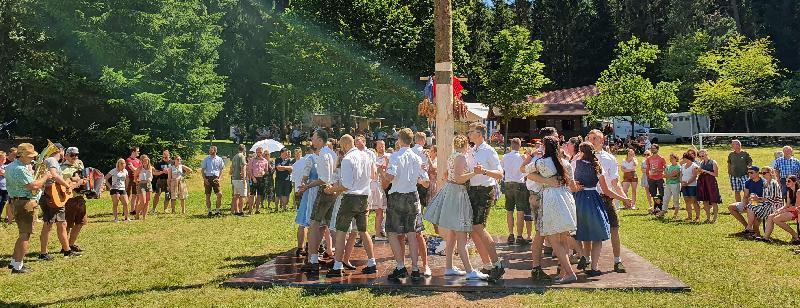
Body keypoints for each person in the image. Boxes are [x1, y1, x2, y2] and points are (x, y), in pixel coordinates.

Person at [424, 135, 487, 280]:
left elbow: (447, 174)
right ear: (465, 145)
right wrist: (475, 173)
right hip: (457, 193)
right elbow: (459, 178)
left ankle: (449, 267)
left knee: (452, 234)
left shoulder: (452, 156)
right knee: (461, 235)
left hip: (451, 191)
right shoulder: (461, 157)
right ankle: (470, 271)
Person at [379, 128, 430, 280]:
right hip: (412, 195)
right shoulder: (417, 157)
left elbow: (390, 176)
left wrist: (382, 173)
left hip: (397, 195)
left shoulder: (395, 156)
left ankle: (401, 266)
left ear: (400, 140)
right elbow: (426, 183)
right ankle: (415, 269)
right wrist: (417, 179)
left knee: (392, 232)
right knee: (412, 234)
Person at [573, 142, 631, 277]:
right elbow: (606, 190)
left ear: (581, 152)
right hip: (593, 198)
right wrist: (624, 198)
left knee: (583, 232)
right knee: (597, 235)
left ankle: (585, 257)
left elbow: (571, 181)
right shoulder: (597, 167)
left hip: (578, 199)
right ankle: (594, 267)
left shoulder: (576, 163)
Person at [324, 135, 378, 278]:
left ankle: (337, 266)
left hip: (350, 198)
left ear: (346, 144)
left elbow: (346, 185)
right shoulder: (366, 156)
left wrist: (332, 190)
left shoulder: (348, 159)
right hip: (364, 197)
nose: (341, 149)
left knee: (341, 232)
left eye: (342, 146)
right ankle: (372, 263)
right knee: (363, 231)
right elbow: (373, 176)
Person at [525, 136, 578, 283]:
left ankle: (568, 273)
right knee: (563, 239)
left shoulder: (541, 163)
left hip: (550, 199)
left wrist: (545, 180)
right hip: (566, 198)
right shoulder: (566, 163)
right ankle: (563, 272)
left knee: (555, 240)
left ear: (544, 147)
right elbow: (572, 186)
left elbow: (526, 171)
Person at [466, 122, 506, 282]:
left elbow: (500, 174)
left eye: (471, 131)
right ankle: (487, 265)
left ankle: (497, 265)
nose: (468, 134)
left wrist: (484, 171)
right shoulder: (472, 150)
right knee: (473, 229)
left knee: (478, 227)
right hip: (472, 190)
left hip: (484, 191)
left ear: (480, 134)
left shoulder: (489, 151)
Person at [586, 129, 629, 273]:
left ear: (602, 141)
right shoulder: (582, 157)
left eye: (594, 138)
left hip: (606, 198)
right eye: (589, 138)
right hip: (590, 198)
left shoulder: (609, 159)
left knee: (614, 228)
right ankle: (588, 261)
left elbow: (615, 183)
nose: (590, 141)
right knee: (590, 231)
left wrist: (624, 198)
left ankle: (617, 261)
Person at [6, 143, 51, 273]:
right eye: (30, 156)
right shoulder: (19, 169)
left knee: (22, 234)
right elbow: (33, 185)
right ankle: (18, 266)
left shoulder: (11, 166)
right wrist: (45, 176)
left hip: (18, 201)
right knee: (25, 235)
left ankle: (14, 262)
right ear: (23, 155)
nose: (32, 158)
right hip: (25, 203)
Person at [300, 129, 338, 274]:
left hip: (324, 191)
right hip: (332, 191)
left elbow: (323, 179)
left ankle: (313, 260)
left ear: (320, 140)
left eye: (314, 137)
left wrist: (307, 186)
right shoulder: (332, 153)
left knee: (313, 224)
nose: (312, 139)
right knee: (330, 225)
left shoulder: (322, 154)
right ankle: (339, 258)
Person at [40, 143, 82, 260]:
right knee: (48, 225)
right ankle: (43, 253)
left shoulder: (50, 161)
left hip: (54, 196)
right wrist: (66, 185)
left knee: (62, 224)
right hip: (51, 197)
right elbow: (54, 175)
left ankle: (67, 250)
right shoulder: (52, 160)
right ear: (60, 150)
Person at [501, 138, 529, 245]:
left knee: (509, 210)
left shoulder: (505, 156)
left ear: (511, 146)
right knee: (520, 211)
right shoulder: (522, 157)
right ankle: (519, 236)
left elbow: (502, 168)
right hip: (519, 183)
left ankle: (511, 234)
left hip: (508, 183)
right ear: (520, 146)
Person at [61, 147, 89, 253]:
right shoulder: (62, 168)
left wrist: (87, 183)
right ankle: (65, 247)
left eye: (76, 155)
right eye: (72, 155)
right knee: (68, 224)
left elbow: (84, 178)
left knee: (81, 222)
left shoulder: (80, 166)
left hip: (80, 197)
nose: (75, 157)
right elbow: (62, 183)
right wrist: (75, 181)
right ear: (66, 155)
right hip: (69, 199)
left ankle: (71, 244)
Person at [760, 175, 800, 244]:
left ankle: (795, 236)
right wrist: (779, 210)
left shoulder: (798, 191)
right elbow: (787, 205)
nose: (786, 183)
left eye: (789, 181)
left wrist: (785, 210)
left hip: (797, 211)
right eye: (786, 181)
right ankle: (766, 238)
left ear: (795, 182)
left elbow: (796, 206)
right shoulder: (789, 191)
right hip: (791, 209)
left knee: (776, 219)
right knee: (771, 216)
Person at [295, 147, 319, 257]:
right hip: (313, 190)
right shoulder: (313, 159)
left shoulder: (308, 159)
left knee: (305, 221)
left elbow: (304, 177)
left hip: (311, 189)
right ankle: (304, 247)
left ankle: (304, 247)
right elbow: (304, 177)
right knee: (307, 221)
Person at [746, 166, 781, 237]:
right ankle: (755, 232)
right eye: (762, 173)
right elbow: (764, 198)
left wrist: (758, 199)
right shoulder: (766, 183)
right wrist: (755, 199)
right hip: (766, 204)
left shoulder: (773, 183)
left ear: (770, 173)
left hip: (774, 205)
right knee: (751, 204)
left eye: (764, 173)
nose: (762, 175)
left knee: (751, 207)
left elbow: (772, 199)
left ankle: (750, 228)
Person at [729, 166, 765, 236]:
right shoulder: (748, 182)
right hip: (750, 201)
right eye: (748, 173)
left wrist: (750, 203)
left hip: (760, 202)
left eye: (751, 173)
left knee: (751, 210)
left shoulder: (763, 182)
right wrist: (745, 203)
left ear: (758, 173)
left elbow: (765, 197)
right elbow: (746, 196)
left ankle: (752, 231)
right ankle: (747, 227)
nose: (749, 174)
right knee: (731, 207)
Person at [367, 139, 389, 240]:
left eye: (383, 145)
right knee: (377, 210)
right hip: (377, 186)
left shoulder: (389, 156)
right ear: (376, 147)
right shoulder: (373, 158)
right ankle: (376, 233)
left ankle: (382, 230)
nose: (381, 147)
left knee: (384, 210)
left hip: (388, 185)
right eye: (379, 145)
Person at [696, 149, 721, 223]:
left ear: (706, 154)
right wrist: (698, 171)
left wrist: (705, 171)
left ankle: (715, 218)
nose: (701, 157)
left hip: (711, 182)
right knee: (705, 200)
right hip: (703, 182)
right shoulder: (701, 163)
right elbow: (698, 173)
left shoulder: (713, 162)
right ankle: (708, 218)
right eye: (699, 156)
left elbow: (716, 174)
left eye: (702, 155)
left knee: (714, 200)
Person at [201, 146, 225, 216]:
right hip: (208, 178)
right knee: (208, 195)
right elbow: (202, 170)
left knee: (219, 194)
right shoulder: (206, 159)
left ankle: (217, 211)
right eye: (209, 150)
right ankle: (209, 211)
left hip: (215, 178)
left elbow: (221, 169)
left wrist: (219, 178)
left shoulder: (219, 159)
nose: (210, 151)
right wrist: (205, 179)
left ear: (215, 151)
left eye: (211, 150)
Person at [727, 140, 753, 204]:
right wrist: (729, 172)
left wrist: (749, 172)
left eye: (733, 144)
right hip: (733, 175)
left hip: (744, 175)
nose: (732, 146)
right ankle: (738, 205)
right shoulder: (731, 154)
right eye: (732, 144)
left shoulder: (745, 154)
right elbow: (729, 163)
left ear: (738, 145)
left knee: (746, 191)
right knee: (736, 191)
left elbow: (750, 162)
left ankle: (748, 204)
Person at [646, 144, 667, 215]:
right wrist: (648, 176)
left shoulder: (661, 158)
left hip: (660, 178)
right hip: (651, 179)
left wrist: (658, 170)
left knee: (662, 194)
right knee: (654, 194)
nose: (652, 149)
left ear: (657, 149)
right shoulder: (649, 158)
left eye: (654, 148)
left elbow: (665, 168)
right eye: (651, 148)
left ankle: (662, 209)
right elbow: (647, 168)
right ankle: (656, 208)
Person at [680, 152, 701, 222]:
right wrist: (681, 182)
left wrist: (688, 182)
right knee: (687, 201)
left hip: (692, 186)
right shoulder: (683, 165)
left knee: (694, 201)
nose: (683, 159)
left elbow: (694, 176)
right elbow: (681, 175)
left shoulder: (694, 165)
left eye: (684, 158)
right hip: (684, 185)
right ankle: (689, 216)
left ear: (687, 158)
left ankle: (697, 217)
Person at [230, 144, 248, 216]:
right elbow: (243, 167)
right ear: (244, 150)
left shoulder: (235, 156)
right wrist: (244, 179)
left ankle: (236, 211)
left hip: (234, 178)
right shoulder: (242, 156)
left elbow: (231, 168)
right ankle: (241, 211)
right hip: (240, 179)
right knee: (242, 196)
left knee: (236, 195)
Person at [136, 155, 154, 221]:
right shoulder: (139, 168)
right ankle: (137, 213)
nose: (144, 162)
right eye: (143, 161)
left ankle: (144, 216)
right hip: (141, 184)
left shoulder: (151, 168)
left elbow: (156, 172)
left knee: (147, 201)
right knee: (143, 201)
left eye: (146, 160)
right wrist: (137, 182)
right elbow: (135, 175)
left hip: (149, 185)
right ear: (141, 161)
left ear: (148, 161)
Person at [663, 153, 682, 218]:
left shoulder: (678, 167)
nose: (670, 159)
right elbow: (665, 175)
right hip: (668, 184)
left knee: (676, 199)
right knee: (666, 198)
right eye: (670, 158)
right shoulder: (668, 166)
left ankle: (676, 213)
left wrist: (668, 175)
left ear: (676, 159)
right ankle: (664, 210)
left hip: (675, 184)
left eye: (672, 158)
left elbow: (673, 176)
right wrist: (669, 175)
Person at [125, 147, 141, 216]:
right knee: (128, 195)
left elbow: (140, 169)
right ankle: (125, 210)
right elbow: (133, 169)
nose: (138, 153)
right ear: (133, 152)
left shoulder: (138, 160)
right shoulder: (128, 160)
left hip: (137, 179)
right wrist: (138, 170)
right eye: (137, 151)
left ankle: (132, 210)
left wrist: (137, 171)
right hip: (130, 179)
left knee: (135, 195)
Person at [0, 151, 7, 223]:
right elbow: (3, 173)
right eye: (3, 157)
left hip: (5, 188)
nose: (4, 159)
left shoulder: (5, 166)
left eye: (5, 157)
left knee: (3, 202)